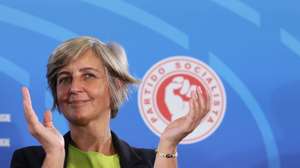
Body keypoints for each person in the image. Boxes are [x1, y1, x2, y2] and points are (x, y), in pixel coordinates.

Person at [10, 36, 210, 168]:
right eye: (65, 78)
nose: (74, 87)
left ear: (117, 86)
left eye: (88, 75)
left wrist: (169, 144)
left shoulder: (150, 162)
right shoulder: (30, 161)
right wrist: (54, 154)